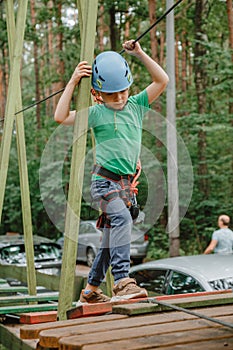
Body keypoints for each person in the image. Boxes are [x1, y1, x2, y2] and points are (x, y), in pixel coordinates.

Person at [54, 40, 169, 303]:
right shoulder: (96, 113)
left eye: (122, 92)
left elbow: (162, 80)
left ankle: (91, 291)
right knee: (123, 221)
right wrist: (72, 82)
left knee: (108, 241)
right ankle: (121, 282)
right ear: (98, 94)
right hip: (104, 184)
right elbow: (60, 117)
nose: (118, 98)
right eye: (111, 94)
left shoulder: (137, 106)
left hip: (125, 187)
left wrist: (139, 53)